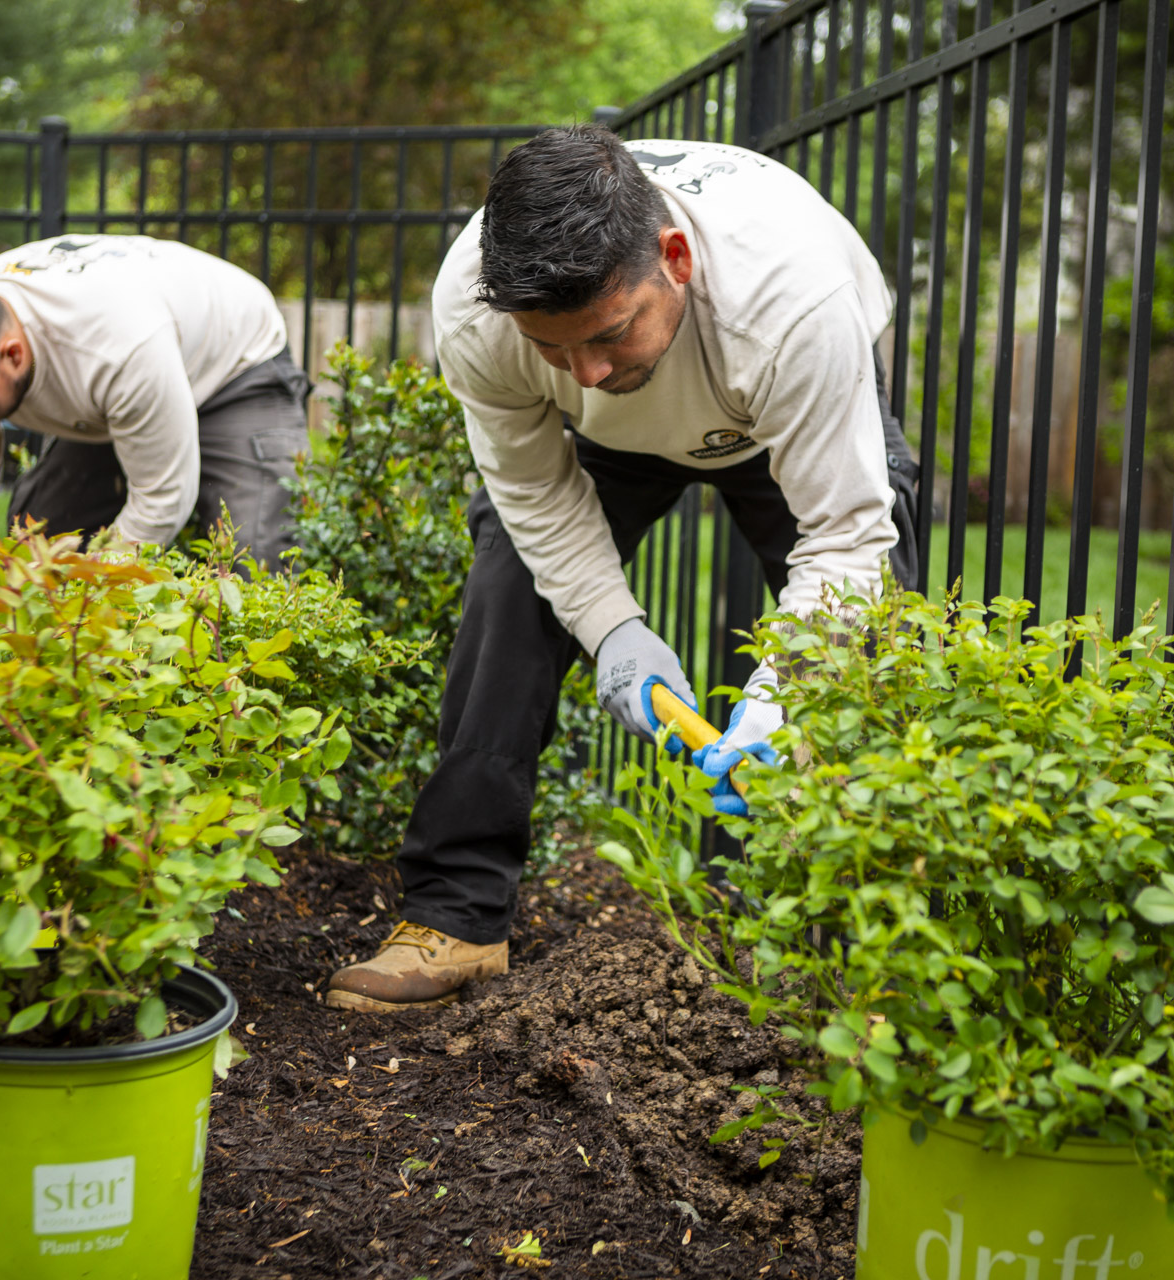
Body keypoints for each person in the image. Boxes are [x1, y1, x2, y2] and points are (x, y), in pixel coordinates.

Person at [325, 126, 919, 1014]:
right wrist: (614, 631)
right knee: (510, 590)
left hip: (765, 415)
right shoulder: (476, 310)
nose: (589, 373)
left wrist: (782, 694)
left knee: (874, 650)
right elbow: (532, 495)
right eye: (553, 350)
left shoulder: (793, 301)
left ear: (675, 258)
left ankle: (872, 950)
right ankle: (458, 916)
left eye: (608, 333)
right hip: (607, 451)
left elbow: (844, 536)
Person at [0, 233, 310, 603]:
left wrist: (87, 605)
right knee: (42, 540)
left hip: (235, 365)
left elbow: (161, 501)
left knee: (258, 561)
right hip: (125, 380)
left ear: (13, 354)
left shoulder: (116, 347)